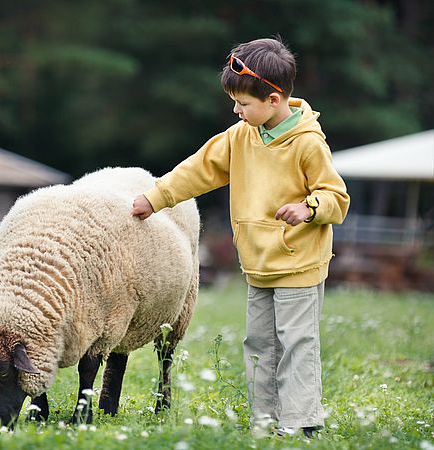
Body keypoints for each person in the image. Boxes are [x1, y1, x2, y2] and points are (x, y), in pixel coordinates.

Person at [131, 37, 350, 438]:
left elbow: (336, 196)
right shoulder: (240, 136)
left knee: (296, 343)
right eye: (234, 102)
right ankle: (265, 422)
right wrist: (155, 197)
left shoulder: (307, 143)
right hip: (258, 262)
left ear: (272, 99)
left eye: (243, 104)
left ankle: (301, 422)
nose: (236, 110)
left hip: (298, 262)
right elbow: (198, 170)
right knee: (259, 344)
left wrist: (309, 208)